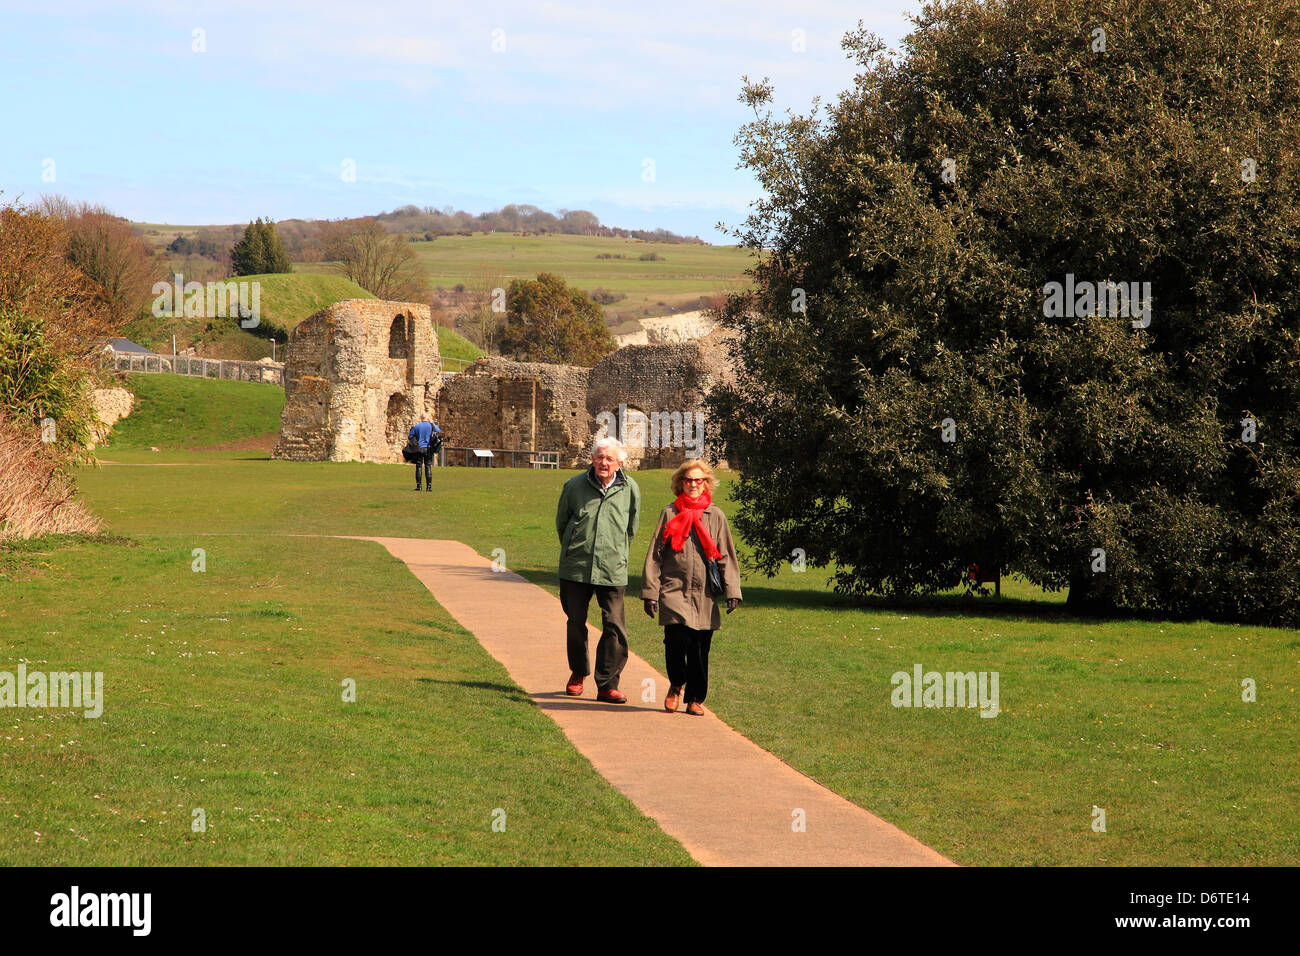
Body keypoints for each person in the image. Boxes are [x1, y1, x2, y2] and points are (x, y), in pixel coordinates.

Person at [641, 459, 742, 716]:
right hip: (674, 590)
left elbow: (726, 556)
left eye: (699, 480)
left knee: (699, 649)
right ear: (680, 483)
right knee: (676, 641)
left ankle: (695, 698)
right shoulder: (669, 513)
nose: (694, 484)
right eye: (689, 480)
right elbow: (655, 555)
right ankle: (676, 685)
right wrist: (650, 593)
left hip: (705, 594)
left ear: (706, 483)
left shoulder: (715, 515)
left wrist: (732, 591)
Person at [556, 437, 641, 703]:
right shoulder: (574, 486)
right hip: (577, 568)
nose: (604, 462)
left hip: (612, 568)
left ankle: (607, 684)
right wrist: (574, 548)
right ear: (592, 458)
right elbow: (562, 523)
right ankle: (578, 672)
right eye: (599, 457)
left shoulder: (630, 488)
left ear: (620, 462)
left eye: (609, 458)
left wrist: (617, 553)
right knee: (575, 624)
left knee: (615, 626)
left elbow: (631, 527)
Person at [407, 414, 441, 491]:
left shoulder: (417, 426)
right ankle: (429, 487)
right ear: (427, 418)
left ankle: (419, 486)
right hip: (428, 448)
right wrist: (432, 422)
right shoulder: (430, 426)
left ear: (421, 418)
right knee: (428, 466)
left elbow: (410, 436)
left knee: (418, 466)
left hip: (419, 448)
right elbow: (438, 431)